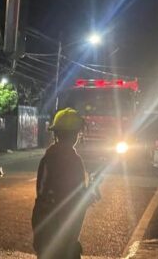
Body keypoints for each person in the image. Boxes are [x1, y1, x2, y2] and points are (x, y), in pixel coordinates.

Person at [32, 108, 94, 259]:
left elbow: (42, 193)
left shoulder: (47, 159)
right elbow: (74, 199)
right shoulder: (74, 161)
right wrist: (88, 195)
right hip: (63, 231)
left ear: (56, 134)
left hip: (43, 227)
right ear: (74, 135)